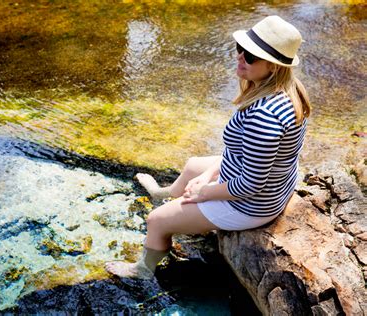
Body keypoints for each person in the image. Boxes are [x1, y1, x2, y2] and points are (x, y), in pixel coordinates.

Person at [105, 15, 310, 279]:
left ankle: (144, 269)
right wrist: (205, 176)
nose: (239, 58)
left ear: (272, 67)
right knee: (193, 166)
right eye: (240, 49)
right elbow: (242, 154)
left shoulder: (265, 117)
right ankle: (163, 193)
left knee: (156, 221)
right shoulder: (290, 90)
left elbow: (251, 185)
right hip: (274, 185)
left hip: (252, 204)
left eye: (249, 56)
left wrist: (204, 192)